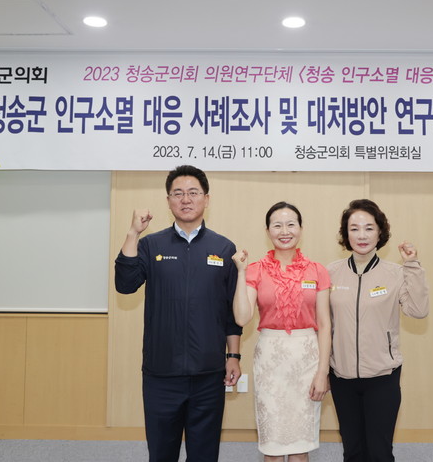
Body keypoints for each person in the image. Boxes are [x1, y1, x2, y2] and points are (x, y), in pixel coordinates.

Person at [114, 165, 242, 462]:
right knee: (161, 453)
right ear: (168, 200)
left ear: (206, 199)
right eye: (178, 193)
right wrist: (133, 232)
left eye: (193, 193)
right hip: (161, 372)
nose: (186, 199)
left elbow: (231, 311)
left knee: (204, 454)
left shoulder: (223, 248)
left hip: (208, 373)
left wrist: (233, 356)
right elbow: (125, 284)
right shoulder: (150, 244)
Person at [327, 199, 430, 462]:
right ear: (346, 233)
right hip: (341, 376)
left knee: (380, 452)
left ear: (380, 232)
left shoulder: (395, 273)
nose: (361, 235)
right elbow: (323, 325)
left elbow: (418, 310)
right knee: (352, 451)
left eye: (369, 228)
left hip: (383, 376)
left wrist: (412, 266)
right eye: (354, 228)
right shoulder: (331, 273)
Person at [232, 201, 331, 462]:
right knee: (273, 447)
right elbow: (242, 318)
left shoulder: (317, 270)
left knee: (301, 447)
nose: (284, 231)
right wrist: (241, 273)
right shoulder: (255, 269)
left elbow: (325, 324)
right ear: (267, 231)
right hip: (270, 361)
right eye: (277, 225)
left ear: (301, 229)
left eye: (291, 224)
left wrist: (323, 372)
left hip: (307, 359)